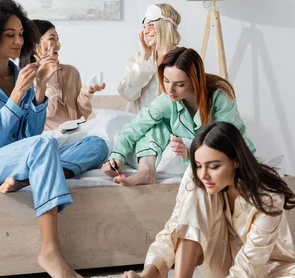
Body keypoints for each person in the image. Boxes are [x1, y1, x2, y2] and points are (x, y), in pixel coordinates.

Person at [116, 121, 295, 278]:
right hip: (218, 261)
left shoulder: (267, 197)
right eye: (198, 164)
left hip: (262, 268)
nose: (204, 174)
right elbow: (175, 228)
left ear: (236, 161)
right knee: (198, 191)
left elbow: (248, 269)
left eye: (214, 166)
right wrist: (144, 276)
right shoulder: (197, 178)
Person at [0, 0, 108, 278]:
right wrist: (15, 98)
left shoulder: (20, 74)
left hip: (18, 158)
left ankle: (26, 178)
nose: (18, 41)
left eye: (21, 34)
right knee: (45, 146)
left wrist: (38, 92)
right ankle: (50, 251)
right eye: (9, 34)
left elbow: (29, 137)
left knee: (97, 143)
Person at [102, 47, 255, 186]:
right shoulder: (167, 100)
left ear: (195, 82)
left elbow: (230, 138)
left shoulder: (219, 96)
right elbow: (135, 128)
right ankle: (146, 171)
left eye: (180, 84)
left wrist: (190, 153)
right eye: (166, 81)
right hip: (171, 149)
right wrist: (117, 156)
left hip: (218, 150)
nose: (170, 89)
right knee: (155, 125)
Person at [26, 20, 105, 131]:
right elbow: (48, 111)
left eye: (57, 39)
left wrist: (86, 93)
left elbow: (83, 114)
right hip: (51, 140)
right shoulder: (27, 79)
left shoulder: (71, 72)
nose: (58, 45)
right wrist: (50, 79)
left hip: (77, 136)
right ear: (35, 46)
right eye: (52, 39)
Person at [118, 4, 181, 113]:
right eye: (144, 27)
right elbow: (127, 94)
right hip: (138, 125)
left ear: (165, 26)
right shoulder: (138, 59)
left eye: (150, 25)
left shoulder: (184, 59)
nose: (145, 31)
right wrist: (144, 58)